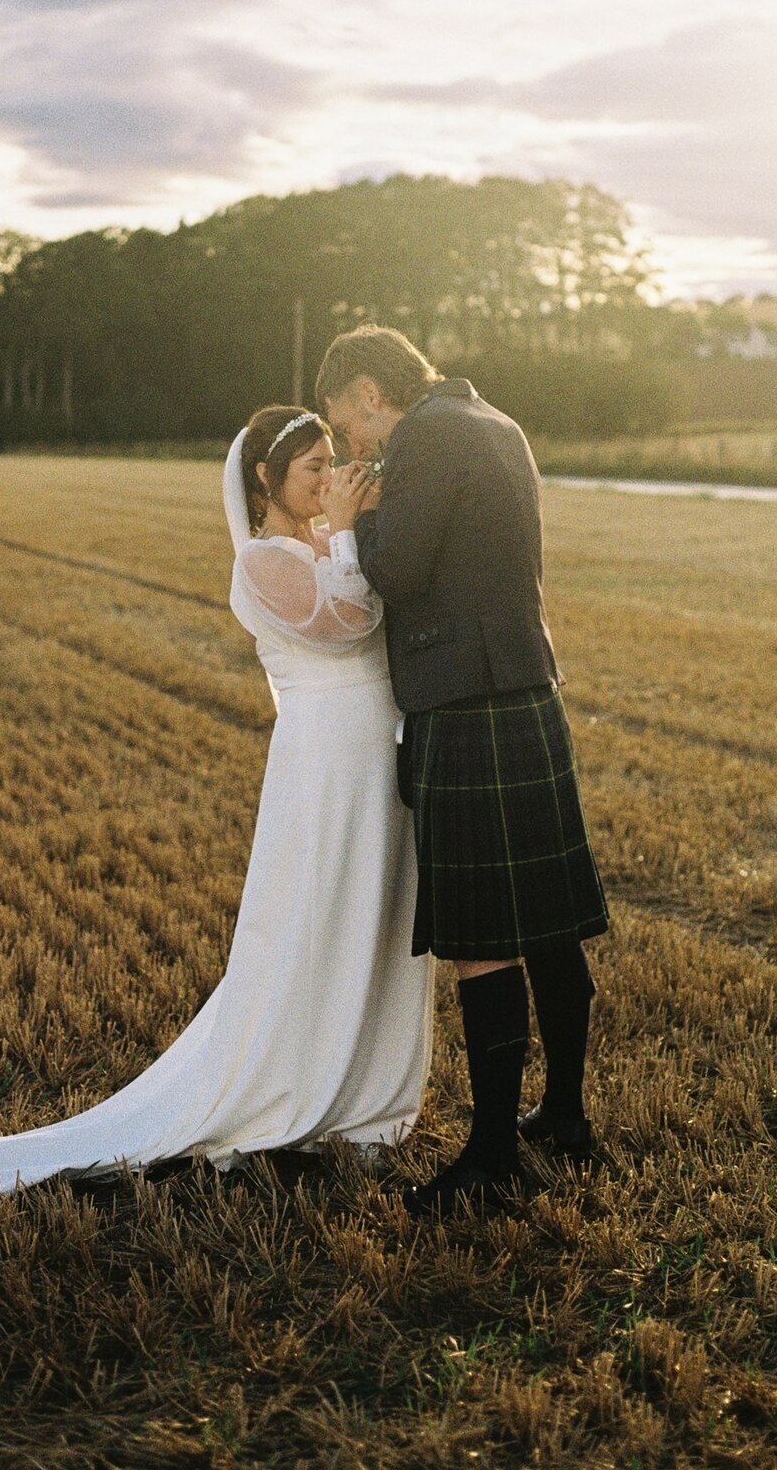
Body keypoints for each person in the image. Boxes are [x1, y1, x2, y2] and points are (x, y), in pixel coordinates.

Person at [0, 406, 434, 1206]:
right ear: (269, 481)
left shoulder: (325, 541)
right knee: (317, 913)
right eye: (312, 465)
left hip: (380, 750)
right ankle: (290, 1089)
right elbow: (348, 624)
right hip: (327, 761)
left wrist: (349, 532)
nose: (328, 475)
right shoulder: (263, 563)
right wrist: (347, 531)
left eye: (331, 460)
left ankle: (365, 1098)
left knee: (380, 914)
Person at [317, 325, 610, 1219]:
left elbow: (400, 570)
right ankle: (564, 1116)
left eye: (346, 424)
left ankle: (490, 1156)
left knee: (485, 936)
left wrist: (348, 521)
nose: (350, 446)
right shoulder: (493, 420)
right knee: (549, 922)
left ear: (369, 393)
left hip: (466, 701)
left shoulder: (426, 438)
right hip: (524, 689)